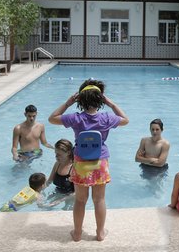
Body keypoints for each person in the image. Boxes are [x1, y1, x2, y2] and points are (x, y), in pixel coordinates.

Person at [48, 79, 129, 242]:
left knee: (80, 199)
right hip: (100, 162)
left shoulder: (76, 118)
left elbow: (52, 118)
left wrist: (68, 103)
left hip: (81, 162)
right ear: (100, 101)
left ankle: (77, 233)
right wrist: (110, 103)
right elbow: (125, 119)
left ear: (80, 101)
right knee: (99, 199)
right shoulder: (106, 118)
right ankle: (99, 233)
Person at [46, 139, 75, 205]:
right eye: (55, 153)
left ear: (68, 153)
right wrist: (38, 192)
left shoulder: (74, 168)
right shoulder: (57, 164)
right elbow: (49, 181)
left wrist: (60, 200)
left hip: (71, 198)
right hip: (58, 192)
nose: (56, 156)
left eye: (59, 154)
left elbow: (77, 192)